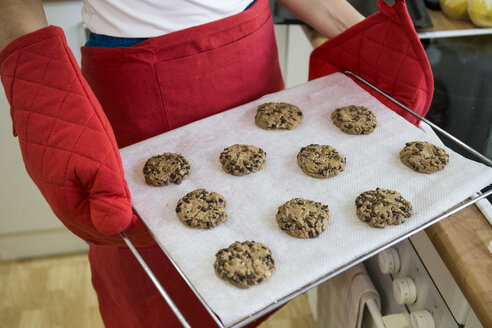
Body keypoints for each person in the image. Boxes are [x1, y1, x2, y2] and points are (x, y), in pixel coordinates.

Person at [0, 0, 363, 327]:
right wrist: (40, 96)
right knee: (158, 283)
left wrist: (363, 34)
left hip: (249, 51)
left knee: (257, 247)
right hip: (138, 76)